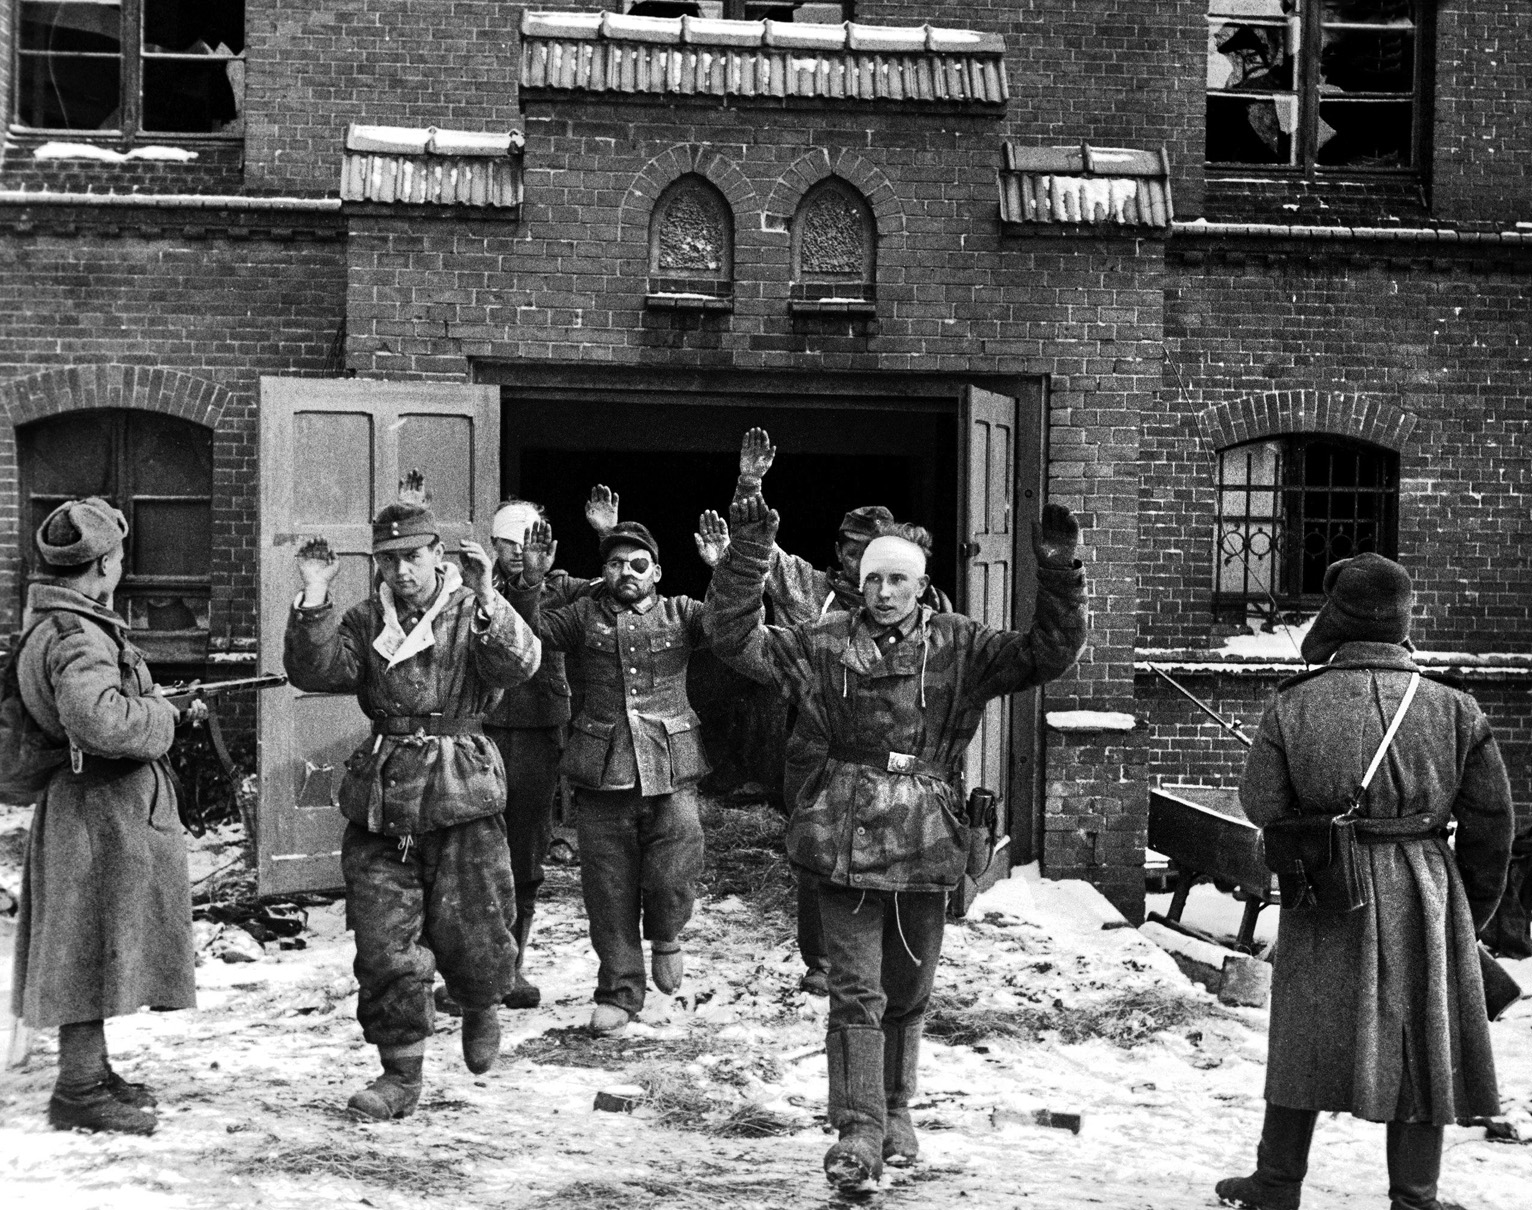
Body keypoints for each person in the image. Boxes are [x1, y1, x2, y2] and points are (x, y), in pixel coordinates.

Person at [708, 488, 1086, 1190]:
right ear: (859, 581)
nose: (883, 592)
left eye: (898, 580)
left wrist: (1061, 576)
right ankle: (857, 1129)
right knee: (856, 990)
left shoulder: (961, 645)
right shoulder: (822, 645)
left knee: (908, 989)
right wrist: (747, 554)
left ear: (921, 586)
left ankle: (896, 1108)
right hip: (842, 831)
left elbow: (1047, 654)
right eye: (874, 578)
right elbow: (733, 640)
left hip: (927, 833)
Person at [1216, 553, 1514, 1210]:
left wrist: (1315, 828)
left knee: (1305, 1033)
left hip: (1326, 882)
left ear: (1336, 619)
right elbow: (1492, 825)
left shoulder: (1293, 705)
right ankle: (1414, 1196)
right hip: (1426, 887)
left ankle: (1274, 1184)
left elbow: (1262, 803)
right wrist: (1468, 911)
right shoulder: (1456, 708)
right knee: (1422, 1039)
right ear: (1403, 620)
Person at [283, 491, 541, 1120]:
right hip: (383, 794)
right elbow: (316, 671)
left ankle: (480, 1005)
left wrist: (488, 598)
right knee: (382, 941)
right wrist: (315, 594)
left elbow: (520, 664)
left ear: (436, 554)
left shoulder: (466, 608)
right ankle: (400, 1073)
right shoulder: (368, 618)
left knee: (475, 924)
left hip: (461, 788)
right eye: (387, 559)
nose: (400, 571)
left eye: (412, 557)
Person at [695, 427, 955, 998]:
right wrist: (747, 489)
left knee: (896, 850)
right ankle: (821, 958)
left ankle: (889, 954)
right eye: (850, 547)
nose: (860, 560)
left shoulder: (926, 607)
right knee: (819, 856)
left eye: (872, 548)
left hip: (896, 757)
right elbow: (758, 557)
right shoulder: (815, 591)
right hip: (817, 748)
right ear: (839, 552)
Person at [11, 498, 206, 1135]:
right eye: (118, 558)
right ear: (101, 565)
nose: (121, 566)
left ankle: (90, 1072)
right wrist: (163, 716)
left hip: (90, 808)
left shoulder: (63, 623)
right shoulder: (77, 636)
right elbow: (98, 719)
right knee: (85, 946)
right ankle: (77, 1090)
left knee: (88, 943)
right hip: (97, 811)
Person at [510, 518, 709, 1038]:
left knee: (675, 867)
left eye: (638, 564)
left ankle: (667, 935)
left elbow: (733, 627)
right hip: (601, 772)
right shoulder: (582, 616)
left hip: (671, 768)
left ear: (658, 572)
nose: (627, 572)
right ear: (603, 572)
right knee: (607, 888)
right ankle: (619, 992)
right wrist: (532, 581)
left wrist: (728, 568)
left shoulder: (683, 613)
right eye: (616, 563)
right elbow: (530, 635)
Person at [473, 486, 615, 1010]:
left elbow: (618, 587)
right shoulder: (471, 588)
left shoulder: (561, 587)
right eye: (507, 541)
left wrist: (606, 535)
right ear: (490, 543)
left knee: (525, 850)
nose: (518, 551)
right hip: (478, 730)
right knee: (471, 850)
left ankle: (510, 966)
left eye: (528, 540)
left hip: (536, 731)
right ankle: (474, 969)